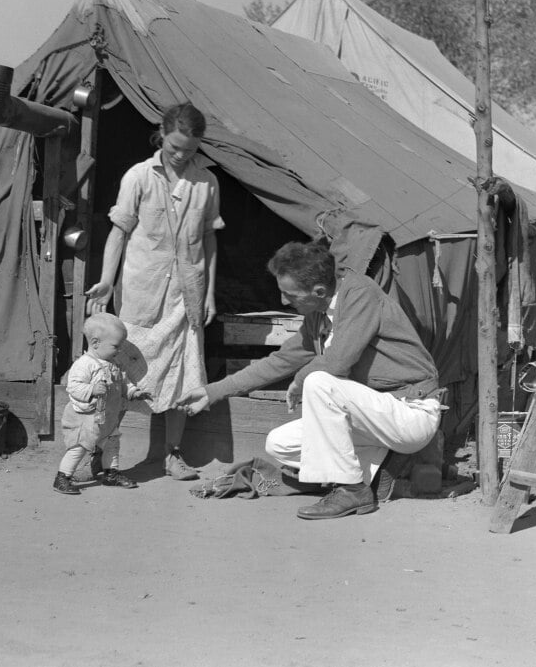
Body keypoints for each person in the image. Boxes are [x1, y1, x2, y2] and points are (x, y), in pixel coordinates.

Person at [177, 240, 442, 520]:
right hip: (376, 419)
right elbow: (279, 362)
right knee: (279, 443)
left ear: (319, 291)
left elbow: (337, 362)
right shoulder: (317, 316)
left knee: (319, 381)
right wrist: (213, 391)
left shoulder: (360, 294)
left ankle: (353, 490)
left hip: (410, 411)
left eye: (289, 294)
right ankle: (382, 471)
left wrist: (301, 378)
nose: (282, 301)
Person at [86, 102, 223, 481]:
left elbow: (209, 238)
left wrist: (209, 292)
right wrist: (107, 279)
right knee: (123, 376)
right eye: (174, 146)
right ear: (161, 135)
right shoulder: (138, 177)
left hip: (186, 295)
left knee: (181, 374)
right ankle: (104, 453)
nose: (180, 155)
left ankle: (171, 454)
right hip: (141, 292)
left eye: (190, 149)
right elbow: (119, 230)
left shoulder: (206, 182)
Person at [53, 313, 144, 495]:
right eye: (116, 346)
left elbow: (124, 382)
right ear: (95, 343)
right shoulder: (85, 364)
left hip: (107, 418)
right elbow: (74, 387)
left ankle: (111, 473)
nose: (119, 351)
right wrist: (92, 390)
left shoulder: (114, 363)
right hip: (86, 419)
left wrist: (134, 392)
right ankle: (62, 477)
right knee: (80, 447)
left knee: (112, 444)